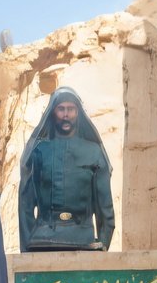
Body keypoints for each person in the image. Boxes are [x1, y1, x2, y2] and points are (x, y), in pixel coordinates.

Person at [18, 86, 115, 252]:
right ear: (53, 113)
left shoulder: (94, 152)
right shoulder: (39, 151)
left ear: (78, 113)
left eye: (71, 109)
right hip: (43, 241)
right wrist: (27, 250)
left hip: (84, 240)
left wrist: (103, 244)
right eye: (61, 109)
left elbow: (105, 206)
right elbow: (25, 204)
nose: (66, 115)